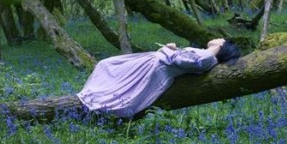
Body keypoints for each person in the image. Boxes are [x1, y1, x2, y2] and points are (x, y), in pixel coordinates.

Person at [76, 37, 241, 118]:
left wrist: (169, 49)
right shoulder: (206, 56)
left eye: (220, 38)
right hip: (153, 64)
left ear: (221, 45)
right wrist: (172, 49)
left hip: (155, 68)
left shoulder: (207, 58)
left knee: (109, 67)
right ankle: (95, 98)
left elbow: (180, 60)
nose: (215, 37)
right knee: (106, 64)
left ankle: (97, 101)